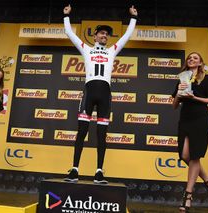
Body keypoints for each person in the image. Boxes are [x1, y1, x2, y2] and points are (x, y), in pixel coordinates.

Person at [63, 4, 138, 184]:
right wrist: (66, 15)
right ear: (95, 36)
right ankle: (74, 170)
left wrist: (134, 18)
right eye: (101, 33)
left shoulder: (112, 50)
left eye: (107, 34)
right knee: (82, 131)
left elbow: (127, 36)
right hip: (89, 91)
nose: (104, 36)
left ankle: (99, 172)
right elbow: (69, 33)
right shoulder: (86, 49)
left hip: (105, 92)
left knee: (101, 134)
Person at [172, 52, 208, 212]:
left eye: (195, 58)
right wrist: (179, 94)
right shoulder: (182, 78)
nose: (191, 59)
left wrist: (196, 98)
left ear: (200, 63)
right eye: (190, 58)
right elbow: (174, 105)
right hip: (185, 118)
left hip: (200, 119)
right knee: (185, 155)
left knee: (194, 156)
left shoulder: (207, 79)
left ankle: (188, 195)